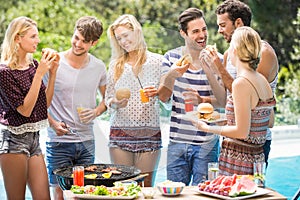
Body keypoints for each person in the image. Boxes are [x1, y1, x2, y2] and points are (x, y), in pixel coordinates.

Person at [191, 26, 276, 176]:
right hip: (256, 160)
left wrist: (206, 128)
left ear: (235, 51)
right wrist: (219, 120)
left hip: (239, 162)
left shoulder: (241, 83)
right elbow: (266, 121)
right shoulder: (262, 80)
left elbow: (242, 132)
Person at [203, 0, 279, 168]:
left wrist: (220, 69)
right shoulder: (230, 52)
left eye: (223, 25)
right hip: (231, 140)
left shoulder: (263, 53)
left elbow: (251, 99)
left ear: (238, 23)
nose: (220, 31)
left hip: (253, 144)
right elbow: (229, 100)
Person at [157, 8, 226, 186]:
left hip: (207, 143)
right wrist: (172, 75)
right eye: (195, 31)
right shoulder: (171, 58)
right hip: (177, 142)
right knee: (174, 195)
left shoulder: (218, 59)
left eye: (204, 29)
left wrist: (210, 69)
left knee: (204, 194)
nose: (202, 35)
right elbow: (163, 97)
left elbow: (223, 101)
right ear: (183, 33)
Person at [43, 16, 107, 200]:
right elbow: (40, 103)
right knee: (59, 191)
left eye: (84, 41)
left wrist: (96, 111)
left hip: (87, 140)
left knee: (85, 192)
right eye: (76, 37)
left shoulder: (98, 67)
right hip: (59, 141)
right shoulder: (55, 63)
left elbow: (107, 99)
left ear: (94, 43)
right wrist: (53, 123)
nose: (78, 44)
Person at [0, 16, 59, 200]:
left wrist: (53, 72)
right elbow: (24, 110)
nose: (38, 41)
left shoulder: (33, 65)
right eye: (33, 36)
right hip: (13, 142)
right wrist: (40, 73)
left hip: (34, 140)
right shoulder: (4, 72)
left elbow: (44, 104)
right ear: (18, 38)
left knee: (44, 197)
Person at [105, 14, 163, 187]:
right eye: (119, 38)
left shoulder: (158, 62)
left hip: (149, 135)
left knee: (145, 187)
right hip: (120, 135)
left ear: (136, 31)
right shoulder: (116, 65)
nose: (122, 41)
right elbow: (108, 100)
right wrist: (116, 102)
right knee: (122, 186)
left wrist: (158, 92)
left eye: (125, 35)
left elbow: (168, 101)